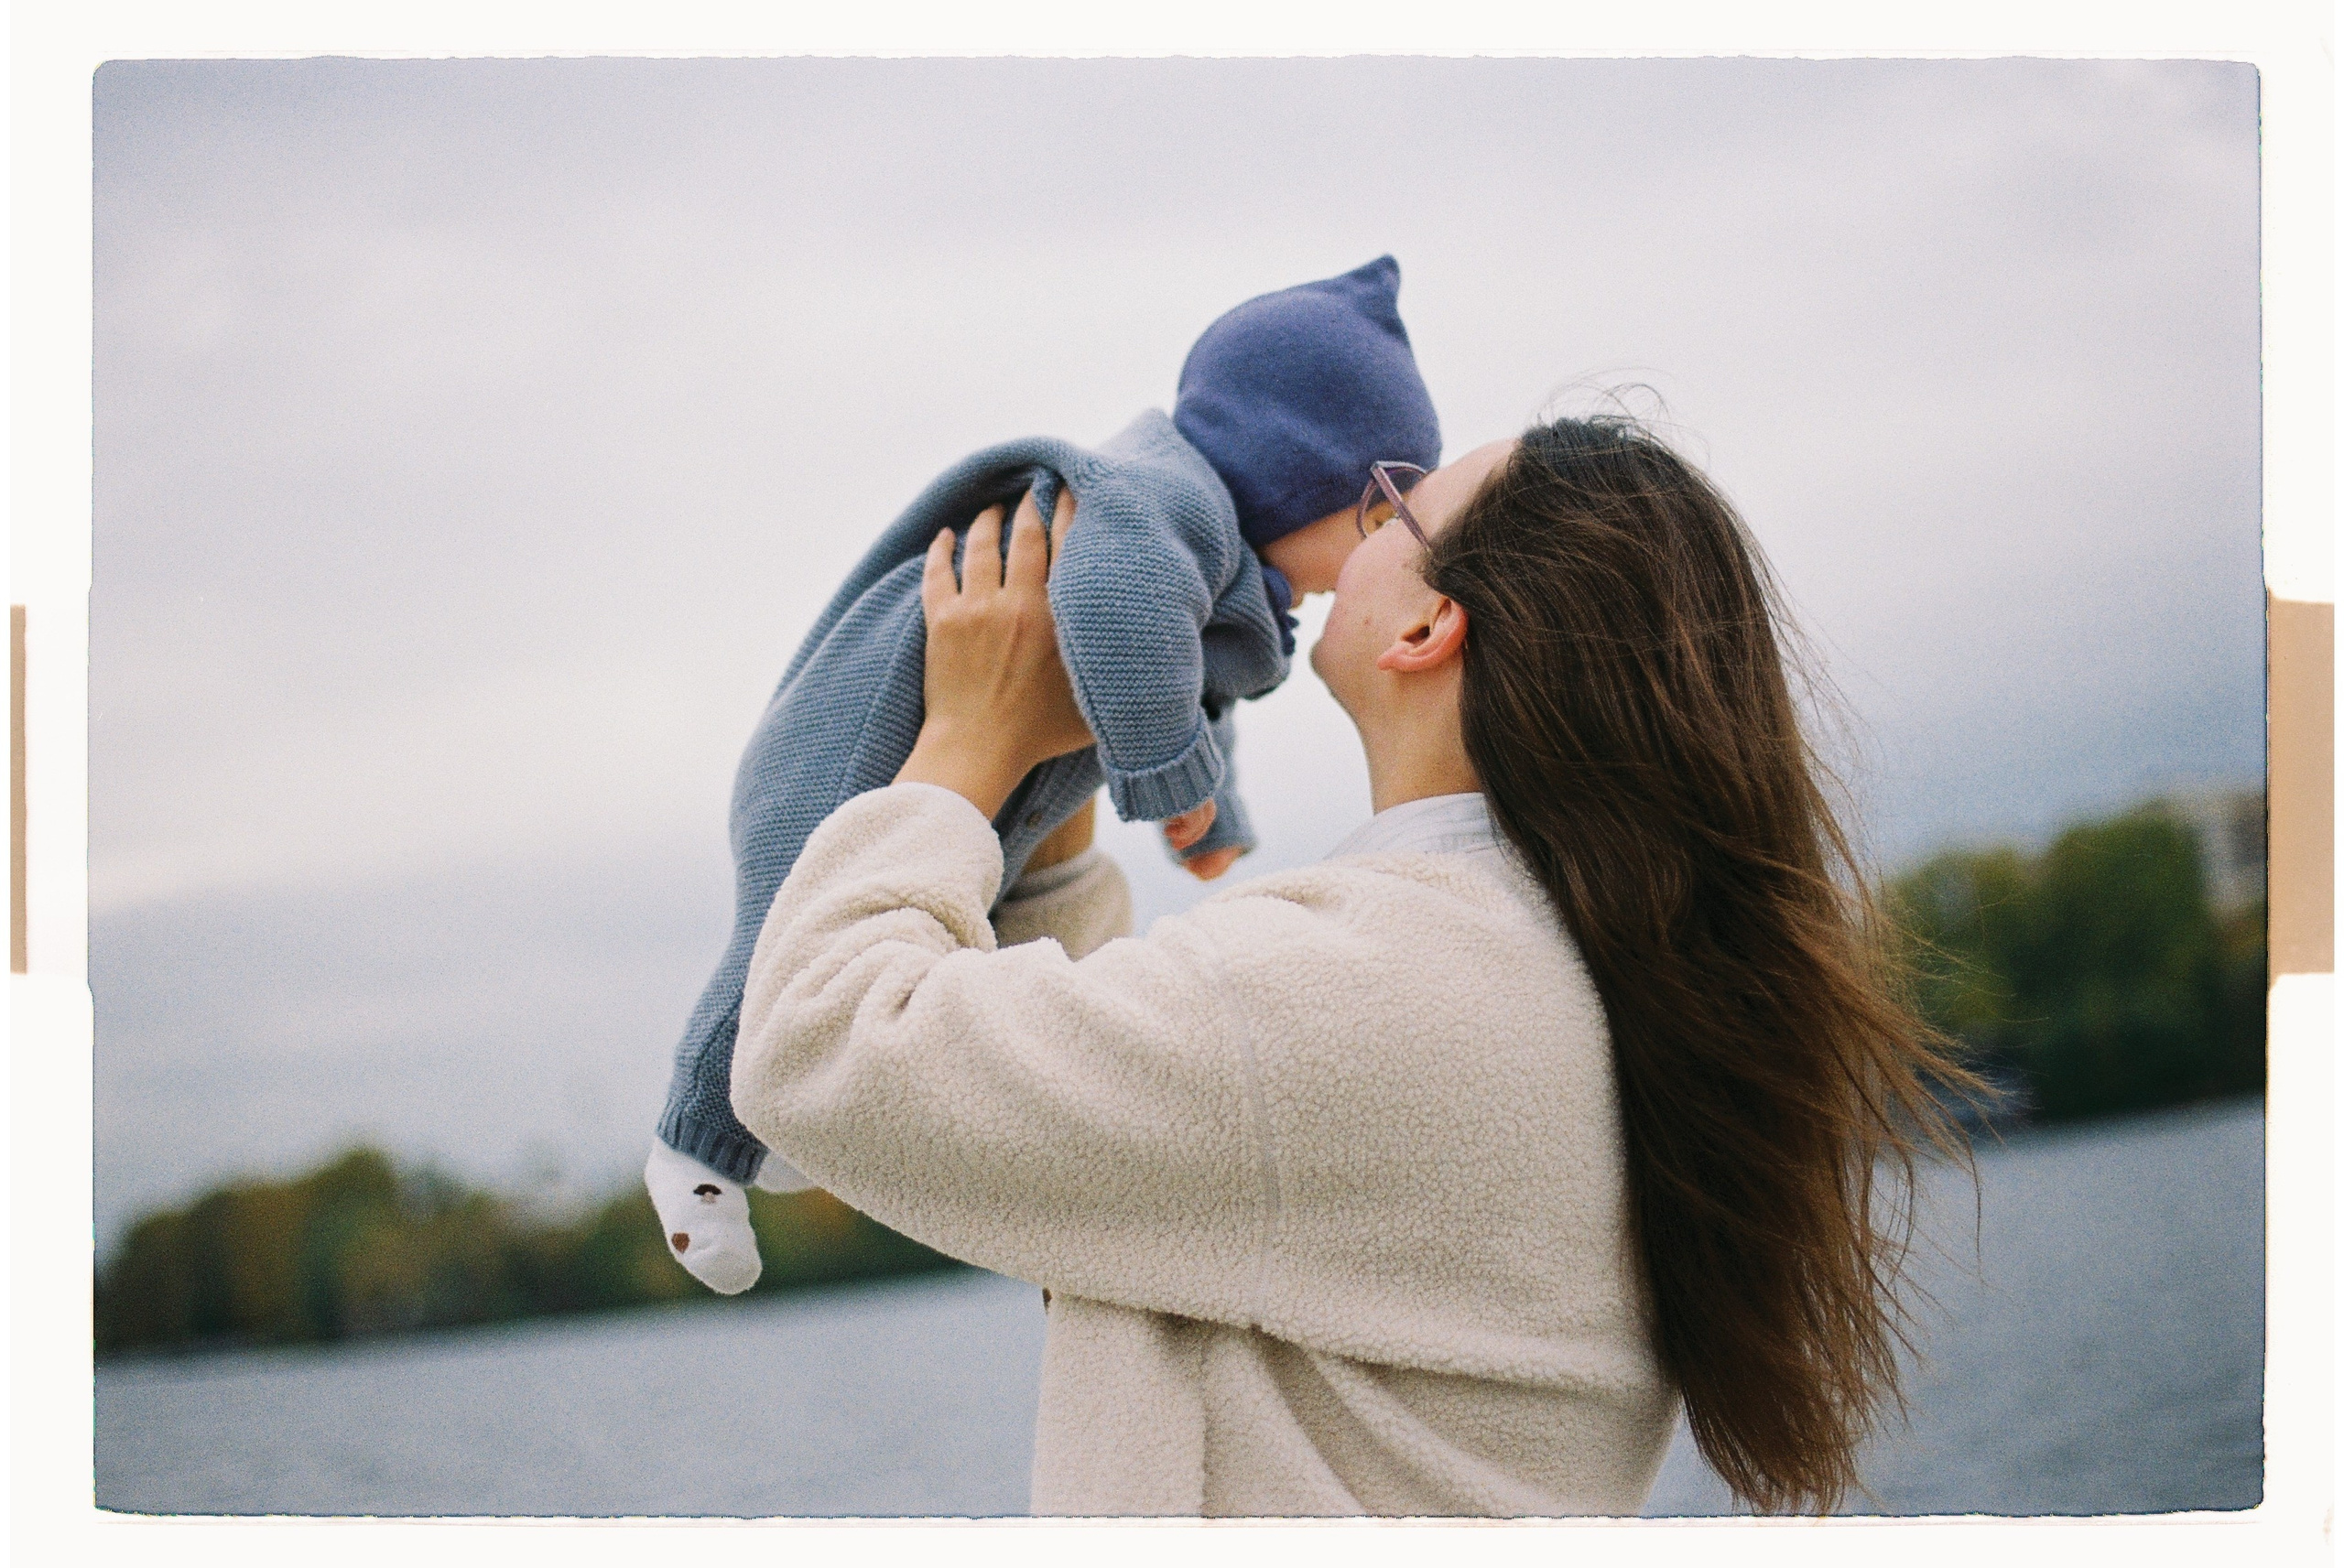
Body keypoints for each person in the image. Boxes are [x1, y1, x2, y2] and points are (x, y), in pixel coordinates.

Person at [729, 416, 1976, 1517]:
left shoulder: (1372, 987)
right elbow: (1149, 1168)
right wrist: (1053, 830)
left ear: (1430, 625)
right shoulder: (1547, 974)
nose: (1363, 517)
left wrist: (967, 740)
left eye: (1398, 508)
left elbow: (818, 1046)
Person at [647, 258, 1442, 1292]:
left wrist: (1211, 812)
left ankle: (796, 1111)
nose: (1385, 550)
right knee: (780, 936)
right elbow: (1117, 609)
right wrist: (1173, 782)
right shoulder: (1163, 504)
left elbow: (1195, 686)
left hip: (979, 771)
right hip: (854, 738)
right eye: (1383, 512)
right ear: (1300, 473)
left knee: (927, 945)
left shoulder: (1217, 560)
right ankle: (695, 1149)